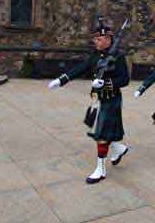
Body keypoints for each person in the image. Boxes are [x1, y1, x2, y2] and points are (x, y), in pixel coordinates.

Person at [48, 20, 130, 184]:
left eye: (99, 39)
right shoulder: (95, 55)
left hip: (111, 99)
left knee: (100, 134)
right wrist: (62, 79)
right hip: (97, 99)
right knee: (100, 129)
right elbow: (81, 67)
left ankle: (100, 170)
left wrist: (106, 84)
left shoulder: (119, 57)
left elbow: (125, 79)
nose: (95, 42)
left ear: (108, 39)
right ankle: (118, 149)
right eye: (95, 39)